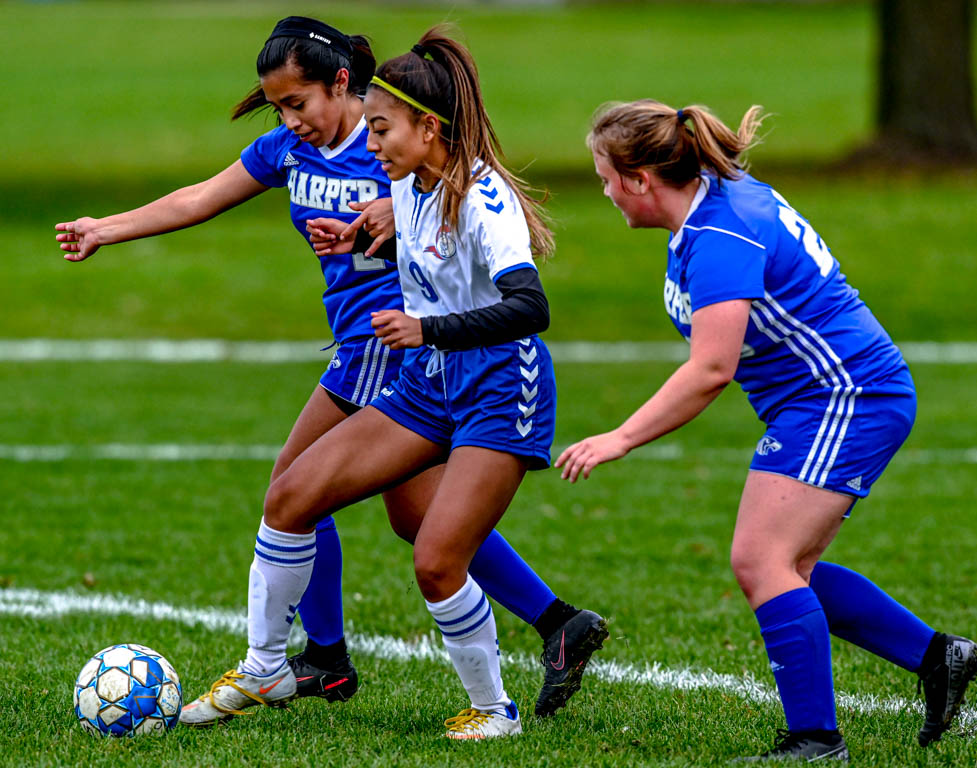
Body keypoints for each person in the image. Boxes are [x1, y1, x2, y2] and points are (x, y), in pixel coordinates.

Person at [55, 16, 606, 727]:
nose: (290, 120)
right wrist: (107, 228)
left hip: (403, 350)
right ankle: (552, 621)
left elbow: (495, 264)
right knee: (415, 524)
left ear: (340, 83)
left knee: (304, 494)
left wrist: (397, 262)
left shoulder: (401, 151)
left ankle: (320, 660)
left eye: (298, 103)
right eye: (278, 106)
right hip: (387, 352)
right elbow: (200, 197)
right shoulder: (311, 153)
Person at [558, 98, 977, 761]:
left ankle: (815, 740)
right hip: (823, 398)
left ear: (640, 178)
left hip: (846, 394)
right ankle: (937, 658)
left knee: (762, 561)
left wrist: (620, 437)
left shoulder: (720, 235)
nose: (604, 190)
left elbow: (711, 369)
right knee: (788, 567)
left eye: (607, 176)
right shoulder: (714, 201)